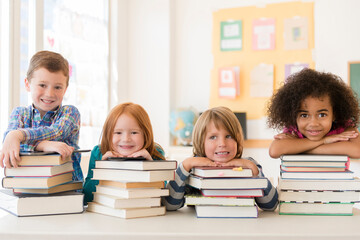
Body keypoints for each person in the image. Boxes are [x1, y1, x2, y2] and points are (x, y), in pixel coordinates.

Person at [162, 106, 278, 211]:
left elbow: (270, 205)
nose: (222, 143)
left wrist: (254, 170)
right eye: (213, 137)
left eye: (229, 136)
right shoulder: (193, 168)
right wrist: (185, 165)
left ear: (237, 139)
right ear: (201, 142)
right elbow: (171, 205)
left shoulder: (248, 164)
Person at [0, 50, 83, 181]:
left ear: (65, 89)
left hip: (66, 190)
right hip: (26, 187)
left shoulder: (70, 113)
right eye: (42, 85)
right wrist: (43, 145)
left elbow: (56, 132)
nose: (49, 93)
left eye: (57, 87)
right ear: (27, 84)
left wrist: (19, 135)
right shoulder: (19, 113)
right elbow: (9, 145)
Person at [267, 68, 360, 159]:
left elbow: (357, 151)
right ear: (294, 116)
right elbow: (275, 151)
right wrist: (324, 140)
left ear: (334, 114)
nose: (313, 123)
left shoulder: (344, 126)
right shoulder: (293, 130)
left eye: (322, 115)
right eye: (304, 115)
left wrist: (299, 148)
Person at [83, 102, 165, 203]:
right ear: (108, 134)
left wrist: (151, 165)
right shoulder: (98, 152)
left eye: (134, 132)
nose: (126, 139)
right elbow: (87, 197)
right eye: (118, 132)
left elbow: (164, 196)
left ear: (145, 134)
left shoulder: (155, 153)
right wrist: (101, 170)